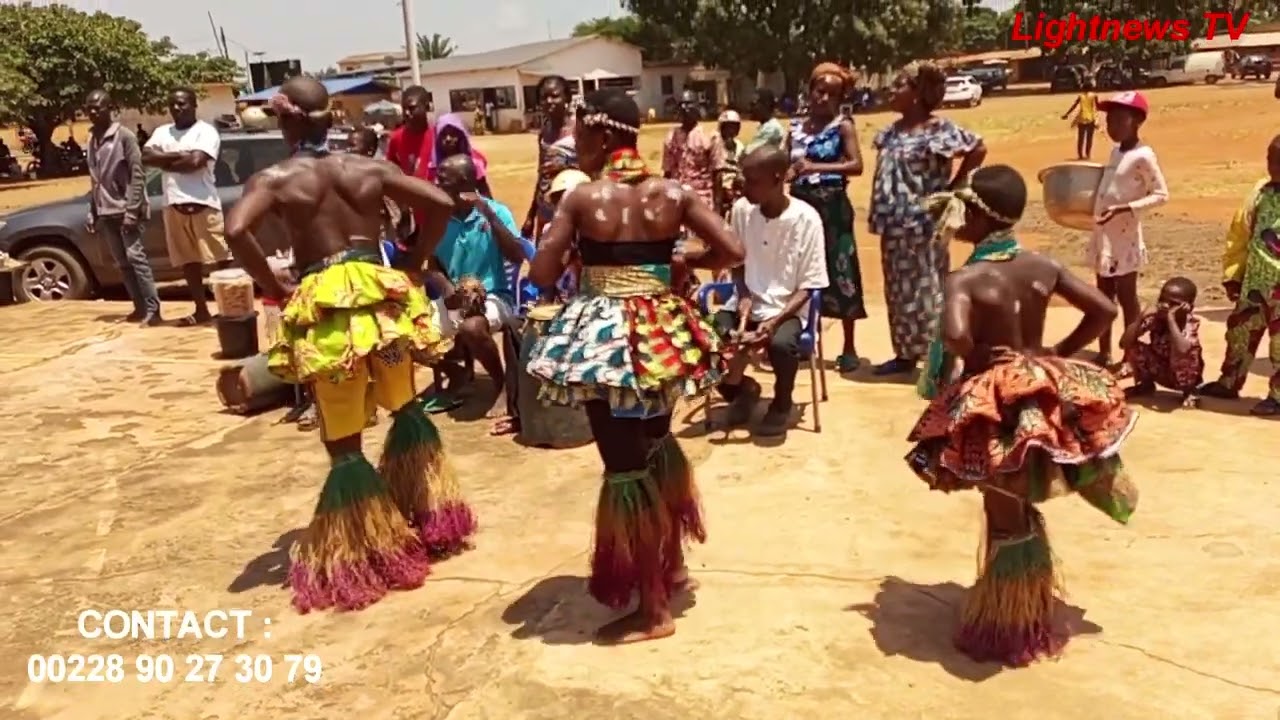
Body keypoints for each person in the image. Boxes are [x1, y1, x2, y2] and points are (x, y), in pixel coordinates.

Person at [223, 77, 473, 612]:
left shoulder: (276, 178)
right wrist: (412, 261)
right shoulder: (369, 168)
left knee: (343, 436)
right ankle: (429, 518)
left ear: (288, 121)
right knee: (405, 407)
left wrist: (273, 287)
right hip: (380, 306)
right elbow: (441, 202)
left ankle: (367, 549)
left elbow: (236, 229)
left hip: (331, 314)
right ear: (328, 118)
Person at [524, 89, 744, 644]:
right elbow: (732, 250)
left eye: (580, 136)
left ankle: (652, 610)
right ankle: (669, 567)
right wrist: (673, 259)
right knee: (654, 447)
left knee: (625, 469)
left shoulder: (581, 199)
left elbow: (541, 276)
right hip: (662, 334)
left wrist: (571, 246)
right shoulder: (671, 193)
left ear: (598, 137)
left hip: (605, 342)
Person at [905, 164, 1138, 667]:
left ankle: (1010, 623)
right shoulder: (1041, 266)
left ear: (978, 216)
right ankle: (1020, 602)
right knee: (1014, 498)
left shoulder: (965, 277)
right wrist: (1057, 351)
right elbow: (1104, 310)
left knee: (1002, 504)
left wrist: (972, 360)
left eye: (962, 208)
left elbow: (954, 335)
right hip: (1037, 386)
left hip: (996, 398)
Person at [869, 61, 986, 384]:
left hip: (924, 227)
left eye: (899, 86)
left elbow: (978, 147)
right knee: (898, 293)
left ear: (918, 93)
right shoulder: (891, 132)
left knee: (929, 292)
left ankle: (940, 359)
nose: (892, 91)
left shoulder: (938, 129)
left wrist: (954, 188)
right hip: (893, 227)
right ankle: (905, 355)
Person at [714, 147, 827, 436]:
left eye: (752, 180)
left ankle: (781, 403)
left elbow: (809, 284)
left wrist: (773, 323)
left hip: (786, 308)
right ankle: (742, 392)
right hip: (746, 303)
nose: (743, 187)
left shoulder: (807, 219)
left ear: (777, 179)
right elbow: (737, 262)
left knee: (781, 344)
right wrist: (743, 294)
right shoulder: (741, 210)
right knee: (712, 336)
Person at [422, 154, 523, 418]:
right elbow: (431, 265)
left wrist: (488, 215)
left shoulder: (495, 211)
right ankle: (457, 372)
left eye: (443, 180)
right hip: (456, 297)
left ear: (465, 183)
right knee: (407, 331)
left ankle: (502, 385)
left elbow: (516, 255)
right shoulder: (438, 218)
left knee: (472, 327)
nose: (436, 183)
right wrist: (447, 290)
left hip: (495, 296)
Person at [789, 62, 868, 373]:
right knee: (802, 273)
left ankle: (849, 347)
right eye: (818, 91)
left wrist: (816, 168)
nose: (822, 98)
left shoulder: (842, 126)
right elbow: (787, 163)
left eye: (831, 94)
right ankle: (807, 336)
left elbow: (856, 165)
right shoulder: (794, 128)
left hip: (833, 209)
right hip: (799, 209)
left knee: (842, 270)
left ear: (839, 98)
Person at [1200, 135, 1280, 416]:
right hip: (1255, 281)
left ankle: (1278, 396)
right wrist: (1234, 275)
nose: (1273, 166)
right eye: (1271, 159)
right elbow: (1240, 234)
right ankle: (1230, 381)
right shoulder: (1259, 194)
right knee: (1239, 333)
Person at [1090, 91, 1169, 368]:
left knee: (1126, 298)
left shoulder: (1144, 156)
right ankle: (1104, 352)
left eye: (1117, 119)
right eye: (1108, 120)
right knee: (1102, 297)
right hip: (1104, 236)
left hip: (1124, 237)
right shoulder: (1116, 152)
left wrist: (1124, 209)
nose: (1110, 126)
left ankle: (1130, 355)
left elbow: (1161, 194)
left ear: (1136, 121)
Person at [141, 87, 228, 326]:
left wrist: (165, 159)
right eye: (173, 104)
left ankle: (230, 307)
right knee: (188, 263)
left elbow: (196, 163)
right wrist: (180, 156)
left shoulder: (205, 132)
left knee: (221, 260)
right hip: (174, 206)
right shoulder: (161, 131)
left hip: (204, 205)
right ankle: (201, 310)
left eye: (182, 104)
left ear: (194, 105)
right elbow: (146, 157)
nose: (177, 108)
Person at [83, 89, 161, 327]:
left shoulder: (124, 136)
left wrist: (132, 210)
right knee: (122, 263)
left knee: (136, 258)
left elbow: (138, 174)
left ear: (111, 109)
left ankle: (153, 310)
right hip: (105, 211)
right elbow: (95, 178)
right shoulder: (91, 138)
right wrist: (92, 209)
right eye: (90, 108)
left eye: (99, 107)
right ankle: (138, 307)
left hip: (126, 208)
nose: (94, 112)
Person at [1119, 276, 1203, 408]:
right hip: (1161, 371)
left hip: (1182, 379)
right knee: (1135, 348)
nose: (1165, 306)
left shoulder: (1189, 324)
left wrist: (1171, 319)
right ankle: (1146, 386)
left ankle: (1190, 392)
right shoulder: (1156, 318)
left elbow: (1182, 350)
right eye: (1162, 300)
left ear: (1188, 307)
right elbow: (1124, 343)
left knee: (1184, 356)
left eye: (1173, 303)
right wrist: (1141, 317)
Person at [522, 75, 577, 242]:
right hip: (545, 209)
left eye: (554, 95)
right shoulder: (544, 132)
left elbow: (593, 170)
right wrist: (531, 215)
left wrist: (566, 169)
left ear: (566, 97)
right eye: (544, 97)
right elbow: (542, 176)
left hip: (572, 207)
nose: (549, 101)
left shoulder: (578, 130)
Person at [663, 90, 725, 213]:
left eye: (689, 104)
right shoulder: (670, 137)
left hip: (702, 199)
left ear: (697, 107)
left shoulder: (710, 137)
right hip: (677, 199)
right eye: (682, 104)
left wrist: (717, 208)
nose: (685, 108)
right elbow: (667, 173)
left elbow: (717, 174)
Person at [426, 113, 491, 196]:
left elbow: (485, 194)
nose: (448, 139)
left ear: (461, 136)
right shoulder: (433, 168)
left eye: (453, 134)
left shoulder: (473, 164)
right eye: (443, 135)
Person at [714, 110, 744, 218]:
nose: (730, 131)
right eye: (727, 127)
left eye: (734, 127)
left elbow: (741, 166)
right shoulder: (716, 144)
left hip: (734, 182)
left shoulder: (739, 146)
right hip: (718, 182)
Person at [1060, 79, 1098, 160]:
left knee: (1081, 138)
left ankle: (1080, 155)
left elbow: (1074, 106)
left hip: (1082, 118)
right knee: (1089, 139)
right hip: (1091, 118)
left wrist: (1066, 114)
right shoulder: (1094, 96)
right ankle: (1088, 155)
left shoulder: (1080, 96)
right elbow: (1097, 107)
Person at [745, 89, 786, 154]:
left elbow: (749, 152)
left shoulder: (771, 127)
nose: (750, 108)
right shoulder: (766, 125)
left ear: (766, 105)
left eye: (754, 104)